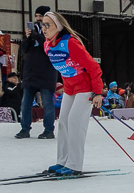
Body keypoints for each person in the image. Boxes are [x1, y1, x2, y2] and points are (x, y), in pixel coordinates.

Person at [41, 11, 104, 176]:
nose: (44, 28)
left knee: (75, 124)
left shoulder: (70, 43)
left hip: (85, 89)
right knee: (63, 123)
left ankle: (75, 164)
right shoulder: (47, 45)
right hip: (70, 89)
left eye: (48, 25)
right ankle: (62, 161)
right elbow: (64, 68)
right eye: (43, 24)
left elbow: (93, 67)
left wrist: (98, 92)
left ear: (58, 26)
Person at [17, 6, 58, 140]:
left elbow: (49, 46)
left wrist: (37, 36)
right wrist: (28, 37)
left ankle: (49, 130)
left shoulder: (54, 30)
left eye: (41, 16)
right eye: (36, 16)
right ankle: (24, 129)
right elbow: (24, 49)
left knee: (47, 103)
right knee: (25, 103)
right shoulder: (33, 30)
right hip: (30, 73)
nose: (38, 19)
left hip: (46, 73)